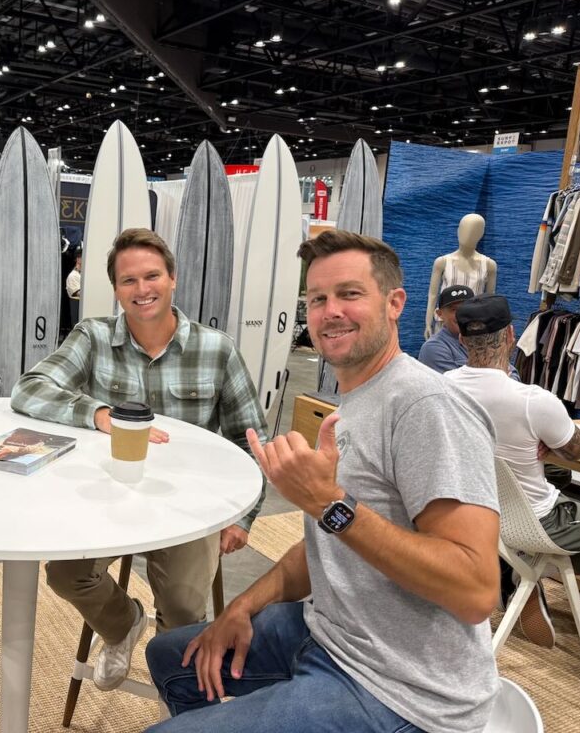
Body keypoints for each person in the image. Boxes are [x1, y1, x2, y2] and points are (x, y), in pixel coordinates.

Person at [146, 229, 500, 733]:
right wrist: (244, 604)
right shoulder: (358, 399)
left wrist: (330, 504)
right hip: (331, 633)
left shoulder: (425, 406)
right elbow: (328, 548)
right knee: (172, 657)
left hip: (404, 691)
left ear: (395, 303)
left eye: (349, 294)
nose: (330, 311)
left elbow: (476, 592)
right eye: (317, 299)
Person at [11, 228, 268, 692]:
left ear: (172, 278)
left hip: (188, 507)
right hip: (109, 497)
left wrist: (242, 517)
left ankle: (179, 696)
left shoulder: (216, 349)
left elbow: (252, 439)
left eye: (152, 276)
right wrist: (99, 414)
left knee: (185, 610)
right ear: (115, 289)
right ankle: (123, 624)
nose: (141, 289)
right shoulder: (94, 336)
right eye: (128, 280)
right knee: (66, 574)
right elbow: (29, 390)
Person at [445, 293, 580, 649]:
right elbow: (576, 449)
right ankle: (520, 564)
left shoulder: (440, 388)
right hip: (535, 522)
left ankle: (512, 567)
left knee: (554, 476)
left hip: (475, 513)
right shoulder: (534, 401)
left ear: (461, 339)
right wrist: (548, 440)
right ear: (511, 335)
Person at [418, 283, 519, 380]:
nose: (460, 315)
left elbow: (513, 374)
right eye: (453, 310)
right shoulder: (433, 348)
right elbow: (455, 386)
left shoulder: (483, 338)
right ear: (439, 314)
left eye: (465, 309)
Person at [424, 212, 497, 338]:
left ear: (481, 234)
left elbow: (489, 299)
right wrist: (427, 323)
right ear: (458, 230)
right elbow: (432, 295)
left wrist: (489, 329)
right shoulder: (442, 262)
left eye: (474, 231)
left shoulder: (489, 265)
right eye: (464, 229)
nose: (468, 234)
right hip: (445, 324)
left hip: (473, 326)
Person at [66, 251, 82, 326]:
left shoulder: (81, 274)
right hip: (77, 304)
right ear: (78, 259)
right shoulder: (73, 275)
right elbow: (78, 293)